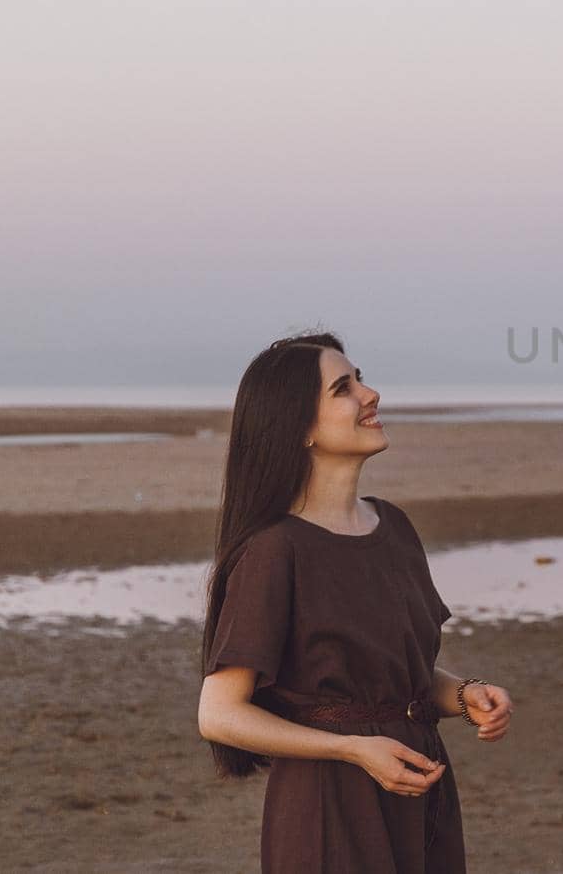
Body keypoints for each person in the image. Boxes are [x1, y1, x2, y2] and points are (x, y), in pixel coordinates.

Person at [197, 332, 512, 873]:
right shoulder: (274, 550)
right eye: (344, 388)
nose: (371, 395)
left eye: (360, 379)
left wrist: (464, 694)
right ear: (300, 429)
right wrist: (351, 750)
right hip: (330, 801)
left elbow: (394, 670)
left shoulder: (393, 526)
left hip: (422, 785)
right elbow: (220, 715)